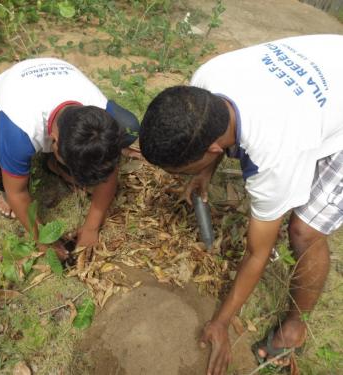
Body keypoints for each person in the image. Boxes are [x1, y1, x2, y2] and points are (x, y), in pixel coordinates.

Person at [139, 34, 343, 374]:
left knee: (304, 231)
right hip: (328, 66)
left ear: (213, 149)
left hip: (325, 99)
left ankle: (294, 329)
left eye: (182, 170)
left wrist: (221, 322)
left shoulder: (274, 156)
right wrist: (204, 173)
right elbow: (216, 130)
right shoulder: (205, 82)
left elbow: (257, 253)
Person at [0, 57, 139, 260]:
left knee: (130, 127)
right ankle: (11, 182)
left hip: (59, 73)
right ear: (53, 142)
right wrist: (43, 240)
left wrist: (92, 227)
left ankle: (55, 166)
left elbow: (109, 168)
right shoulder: (21, 129)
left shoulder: (103, 120)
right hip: (12, 84)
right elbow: (18, 192)